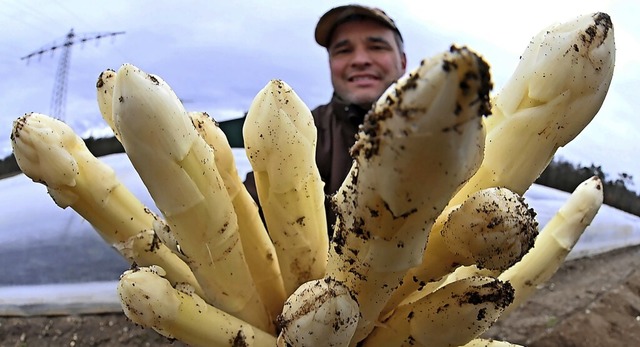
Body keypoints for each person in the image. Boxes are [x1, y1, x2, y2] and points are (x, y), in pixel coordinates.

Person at [245, 4, 407, 237]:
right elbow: (251, 206)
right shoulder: (302, 129)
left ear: (402, 61)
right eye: (343, 50)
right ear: (330, 64)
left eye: (376, 47)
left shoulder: (451, 132)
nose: (360, 60)